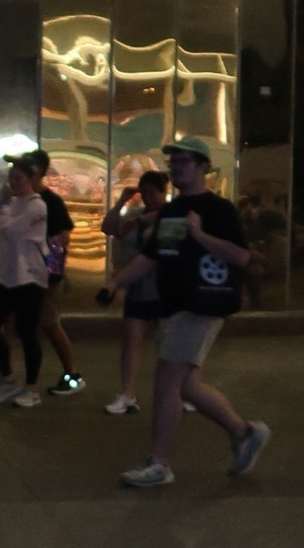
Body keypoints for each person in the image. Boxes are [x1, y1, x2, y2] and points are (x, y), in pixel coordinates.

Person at [98, 136, 269, 487]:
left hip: (201, 305)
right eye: (173, 162)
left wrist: (199, 234)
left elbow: (240, 256)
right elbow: (151, 256)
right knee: (188, 386)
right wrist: (116, 283)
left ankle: (159, 463)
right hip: (174, 308)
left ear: (204, 166)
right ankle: (244, 433)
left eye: (185, 161)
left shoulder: (219, 210)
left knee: (167, 382)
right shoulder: (171, 211)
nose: (177, 167)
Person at [0, 154, 49, 406]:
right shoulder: (12, 204)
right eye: (11, 176)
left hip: (30, 277)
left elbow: (13, 232)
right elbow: (5, 240)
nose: (13, 181)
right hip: (8, 276)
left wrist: (5, 209)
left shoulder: (37, 205)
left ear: (31, 178)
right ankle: (8, 378)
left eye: (19, 177)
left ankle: (32, 388)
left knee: (27, 331)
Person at [100, 169, 169, 414]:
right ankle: (127, 393)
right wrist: (121, 201)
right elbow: (108, 228)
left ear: (164, 192)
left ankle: (181, 391)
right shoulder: (135, 216)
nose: (149, 198)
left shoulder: (169, 218)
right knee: (131, 341)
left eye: (154, 193)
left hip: (165, 291)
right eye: (145, 193)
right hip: (138, 289)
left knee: (171, 346)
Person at [17, 148, 84, 394]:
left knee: (48, 322)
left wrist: (51, 274)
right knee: (15, 323)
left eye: (25, 170)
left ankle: (72, 375)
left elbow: (62, 238)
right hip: (22, 272)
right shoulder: (20, 199)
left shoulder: (52, 202)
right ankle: (2, 376)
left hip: (43, 274)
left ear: (39, 173)